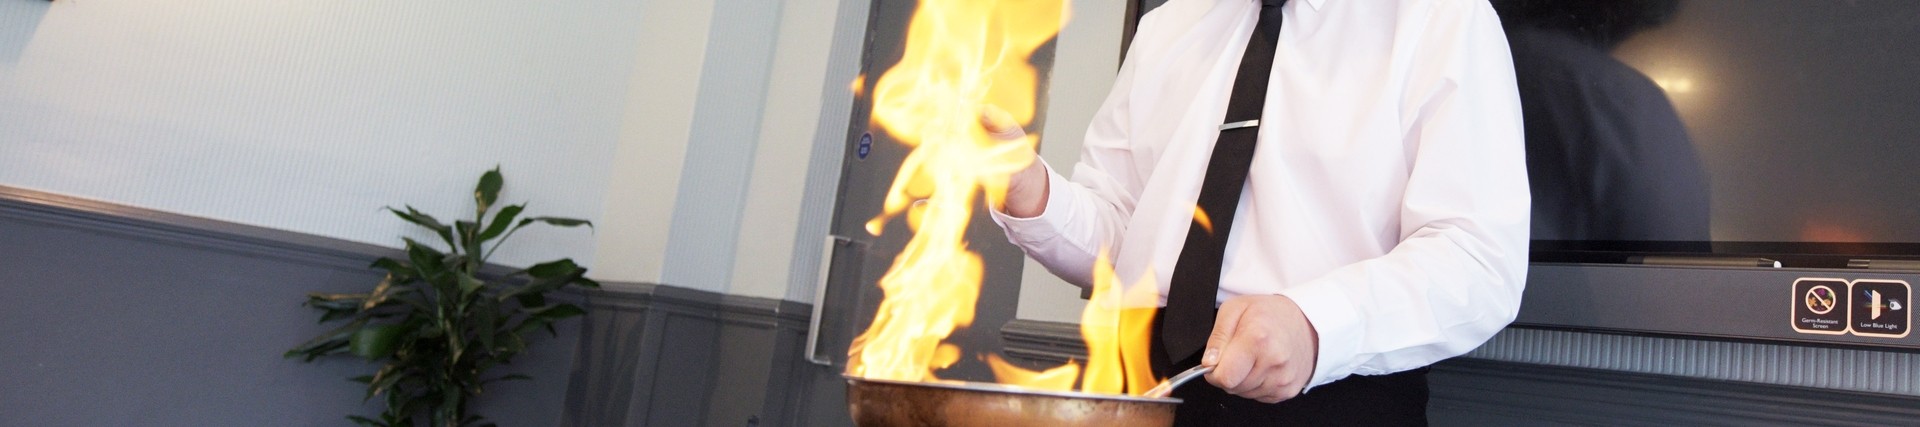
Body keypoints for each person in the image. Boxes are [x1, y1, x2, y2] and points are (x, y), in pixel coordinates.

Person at [983, 0, 1531, 424]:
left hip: (1335, 399)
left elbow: (1478, 257)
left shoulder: (1441, 19)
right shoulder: (1167, 26)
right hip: (1136, 385)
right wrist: (1031, 191)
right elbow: (1126, 233)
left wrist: (1316, 326)